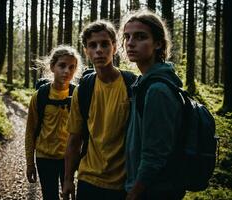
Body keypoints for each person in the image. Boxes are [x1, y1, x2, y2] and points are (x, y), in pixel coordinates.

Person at [62, 20, 135, 200]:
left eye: (104, 44)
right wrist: (68, 180)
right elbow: (74, 140)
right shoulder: (83, 90)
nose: (99, 50)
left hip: (123, 183)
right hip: (88, 180)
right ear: (86, 51)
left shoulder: (132, 85)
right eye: (92, 45)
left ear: (115, 47)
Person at [120, 9, 186, 200]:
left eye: (140, 37)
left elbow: (155, 153)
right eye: (127, 37)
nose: (130, 43)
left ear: (158, 43)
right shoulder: (144, 83)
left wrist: (135, 192)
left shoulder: (157, 89)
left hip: (153, 191)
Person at [25, 45, 82, 200]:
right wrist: (30, 164)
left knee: (68, 195)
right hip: (45, 158)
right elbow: (30, 131)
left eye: (72, 67)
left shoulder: (78, 94)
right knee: (49, 196)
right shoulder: (40, 96)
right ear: (52, 67)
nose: (67, 71)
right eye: (62, 66)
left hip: (69, 159)